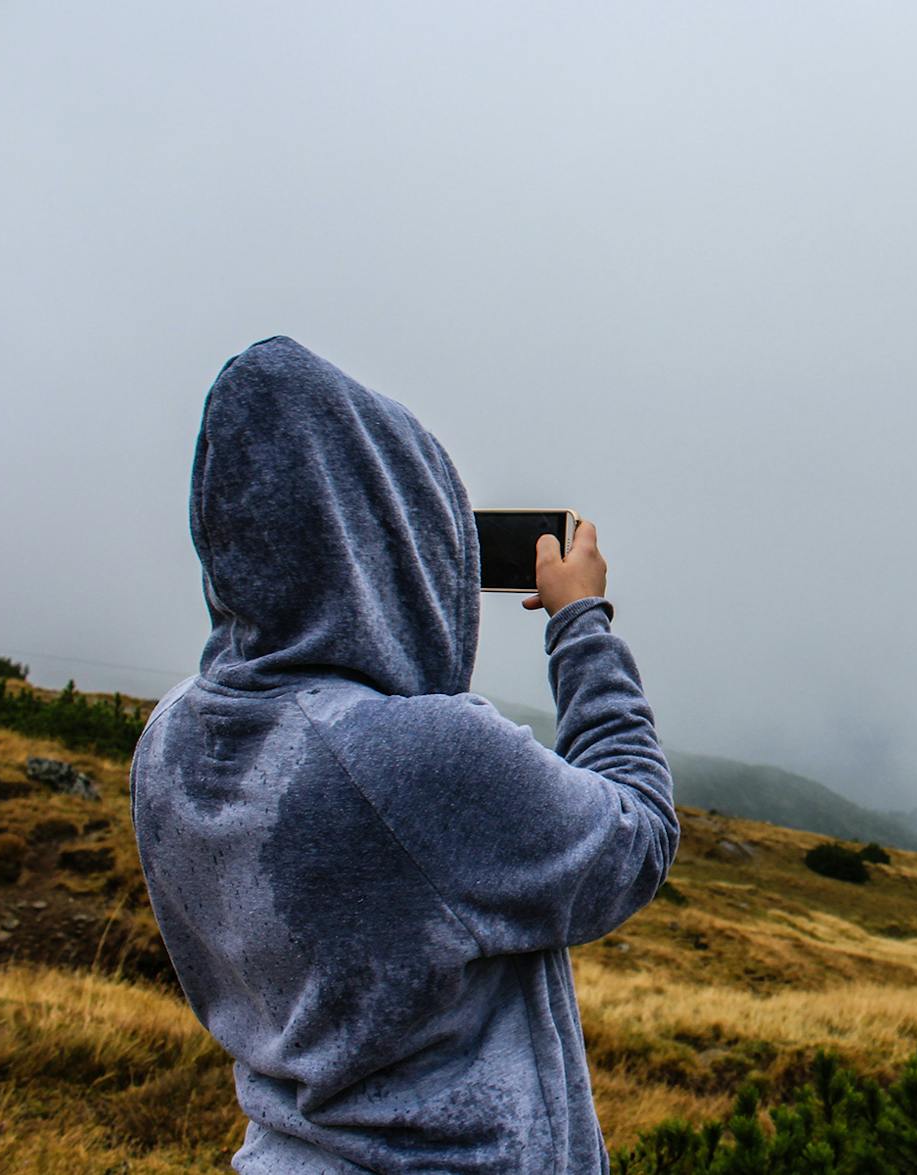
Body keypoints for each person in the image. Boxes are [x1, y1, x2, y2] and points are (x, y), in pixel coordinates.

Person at [131, 336, 678, 1172]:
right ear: (387, 543)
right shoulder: (410, 758)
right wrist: (581, 624)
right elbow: (636, 835)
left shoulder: (168, 743)